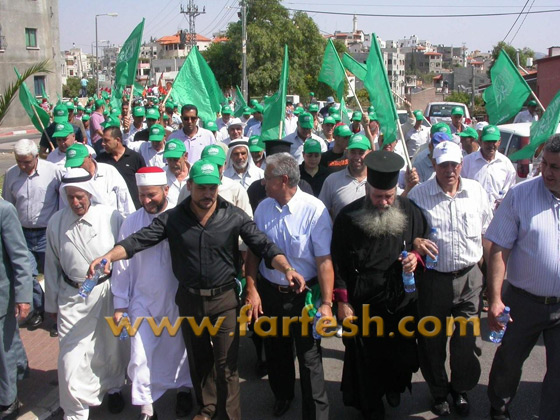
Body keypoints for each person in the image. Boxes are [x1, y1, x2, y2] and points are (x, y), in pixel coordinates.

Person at [89, 159, 302, 420]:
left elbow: (264, 245)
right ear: (189, 185)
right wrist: (110, 256)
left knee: (227, 367)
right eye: (202, 188)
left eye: (213, 188)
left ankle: (230, 416)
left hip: (224, 302)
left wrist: (287, 269)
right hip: (189, 302)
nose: (208, 194)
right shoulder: (174, 219)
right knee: (200, 362)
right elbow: (138, 241)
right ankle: (207, 409)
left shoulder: (233, 215)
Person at [332, 150, 428, 419]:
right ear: (367, 190)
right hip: (362, 302)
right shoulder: (348, 217)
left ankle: (393, 387)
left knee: (400, 355)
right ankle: (371, 404)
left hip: (400, 301)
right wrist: (343, 301)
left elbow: (422, 237)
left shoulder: (409, 209)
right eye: (378, 196)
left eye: (389, 196)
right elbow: (337, 261)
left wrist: (416, 255)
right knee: (366, 361)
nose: (385, 202)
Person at [245, 153, 333, 419]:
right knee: (276, 351)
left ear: (283, 180)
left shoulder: (314, 210)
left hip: (303, 297)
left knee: (309, 359)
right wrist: (252, 288)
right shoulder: (262, 208)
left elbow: (324, 261)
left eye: (267, 178)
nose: (262, 183)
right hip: (271, 294)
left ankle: (316, 413)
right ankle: (282, 395)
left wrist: (327, 304)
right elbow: (253, 254)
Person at [407, 141, 492, 417]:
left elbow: (487, 234)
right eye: (443, 164)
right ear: (433, 165)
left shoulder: (476, 192)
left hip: (470, 278)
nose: (449, 170)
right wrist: (416, 241)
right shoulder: (419, 194)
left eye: (454, 164)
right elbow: (406, 232)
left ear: (461, 164)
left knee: (467, 341)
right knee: (432, 341)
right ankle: (439, 392)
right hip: (433, 280)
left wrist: (491, 278)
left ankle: (461, 389)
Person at [485, 135, 560, 420]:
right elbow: (499, 250)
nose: (547, 173)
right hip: (522, 302)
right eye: (546, 164)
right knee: (510, 362)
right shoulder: (521, 195)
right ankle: (499, 405)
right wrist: (494, 300)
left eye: (555, 167)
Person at [44, 168, 128, 420]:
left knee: (110, 348)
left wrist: (124, 298)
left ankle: (113, 388)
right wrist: (51, 304)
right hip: (73, 297)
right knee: (70, 358)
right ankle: (74, 410)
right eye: (70, 197)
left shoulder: (111, 216)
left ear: (90, 193)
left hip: (107, 293)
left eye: (80, 196)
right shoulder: (56, 222)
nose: (75, 202)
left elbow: (124, 258)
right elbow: (51, 265)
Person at [112, 167, 193, 420]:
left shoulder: (181, 218)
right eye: (141, 195)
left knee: (180, 353)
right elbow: (122, 266)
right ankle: (147, 408)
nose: (146, 201)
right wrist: (120, 305)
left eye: (152, 195)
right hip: (142, 302)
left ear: (166, 190)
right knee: (140, 356)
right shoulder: (131, 222)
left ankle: (184, 392)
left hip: (177, 300)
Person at [2, 139, 61, 332]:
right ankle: (39, 311)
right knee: (28, 275)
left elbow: (61, 201)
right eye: (19, 161)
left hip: (46, 233)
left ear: (36, 157)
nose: (23, 165)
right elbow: (8, 207)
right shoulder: (11, 175)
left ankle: (57, 317)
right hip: (22, 234)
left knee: (53, 276)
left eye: (27, 161)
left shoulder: (52, 172)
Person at [0, 200, 33, 420]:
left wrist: (23, 296)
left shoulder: (4, 210)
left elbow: (20, 257)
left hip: (2, 294)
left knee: (3, 351)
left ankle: (8, 399)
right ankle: (20, 368)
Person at [63, 143, 136, 217]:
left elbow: (125, 200)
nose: (76, 168)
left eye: (79, 164)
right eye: (73, 166)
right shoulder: (69, 179)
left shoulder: (109, 171)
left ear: (89, 157)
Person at [461, 125, 516, 208]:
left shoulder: (505, 163)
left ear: (499, 141)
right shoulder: (467, 162)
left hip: (498, 215)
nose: (491, 145)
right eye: (487, 141)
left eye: (494, 141)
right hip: (474, 213)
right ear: (480, 141)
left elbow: (510, 189)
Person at [319, 134, 372, 219]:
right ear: (347, 153)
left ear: (369, 153)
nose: (357, 157)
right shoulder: (332, 180)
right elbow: (321, 212)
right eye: (353, 152)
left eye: (361, 152)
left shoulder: (378, 182)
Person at [96, 125, 146, 209]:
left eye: (106, 140)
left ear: (118, 140)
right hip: (110, 209)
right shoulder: (100, 160)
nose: (103, 144)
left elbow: (143, 183)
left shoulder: (135, 158)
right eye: (102, 140)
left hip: (134, 207)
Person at [163, 140, 190, 207]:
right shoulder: (161, 175)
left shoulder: (195, 173)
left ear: (185, 156)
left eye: (176, 159)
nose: (172, 164)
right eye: (169, 159)